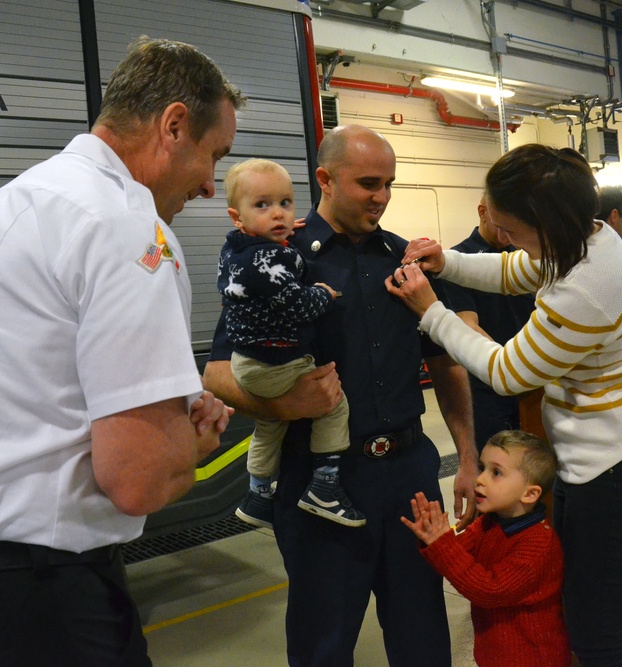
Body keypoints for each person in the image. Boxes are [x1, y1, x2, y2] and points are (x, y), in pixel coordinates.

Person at [0, 36, 241, 666]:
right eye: (215, 156)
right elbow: (139, 481)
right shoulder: (131, 229)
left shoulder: (24, 199)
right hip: (31, 607)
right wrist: (189, 444)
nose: (211, 186)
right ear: (174, 125)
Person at [387, 143, 622, 667]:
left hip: (621, 475)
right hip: (599, 467)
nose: (503, 237)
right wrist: (448, 262)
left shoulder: (584, 289)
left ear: (544, 222)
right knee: (585, 622)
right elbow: (516, 270)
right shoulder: (589, 238)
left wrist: (431, 311)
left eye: (508, 227)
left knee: (599, 637)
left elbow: (508, 372)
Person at [203, 124, 478, 666]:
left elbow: (446, 367)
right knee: (321, 645)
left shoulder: (408, 261)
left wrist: (466, 455)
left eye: (389, 184)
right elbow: (216, 373)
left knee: (423, 638)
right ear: (325, 179)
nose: (382, 197)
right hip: (319, 485)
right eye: (368, 183)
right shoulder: (275, 260)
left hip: (409, 479)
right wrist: (285, 406)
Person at [218, 158, 364, 529]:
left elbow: (258, 262)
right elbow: (298, 306)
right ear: (238, 216)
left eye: (285, 203)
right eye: (262, 206)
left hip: (246, 361)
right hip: (276, 360)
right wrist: (323, 292)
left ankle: (258, 493)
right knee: (333, 406)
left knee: (269, 424)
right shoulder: (272, 257)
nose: (279, 214)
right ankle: (324, 486)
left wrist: (273, 233)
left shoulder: (235, 249)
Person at [402, 430, 570, 667]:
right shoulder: (489, 522)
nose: (480, 479)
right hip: (496, 653)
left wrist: (443, 544)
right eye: (483, 468)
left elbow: (489, 590)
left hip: (532, 658)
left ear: (530, 493)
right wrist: (433, 538)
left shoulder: (538, 544)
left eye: (496, 473)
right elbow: (454, 556)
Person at [441, 196, 536, 450]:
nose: (508, 232)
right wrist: (508, 367)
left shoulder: (524, 256)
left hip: (529, 382)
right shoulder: (457, 262)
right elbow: (467, 325)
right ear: (482, 212)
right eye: (501, 223)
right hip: (488, 387)